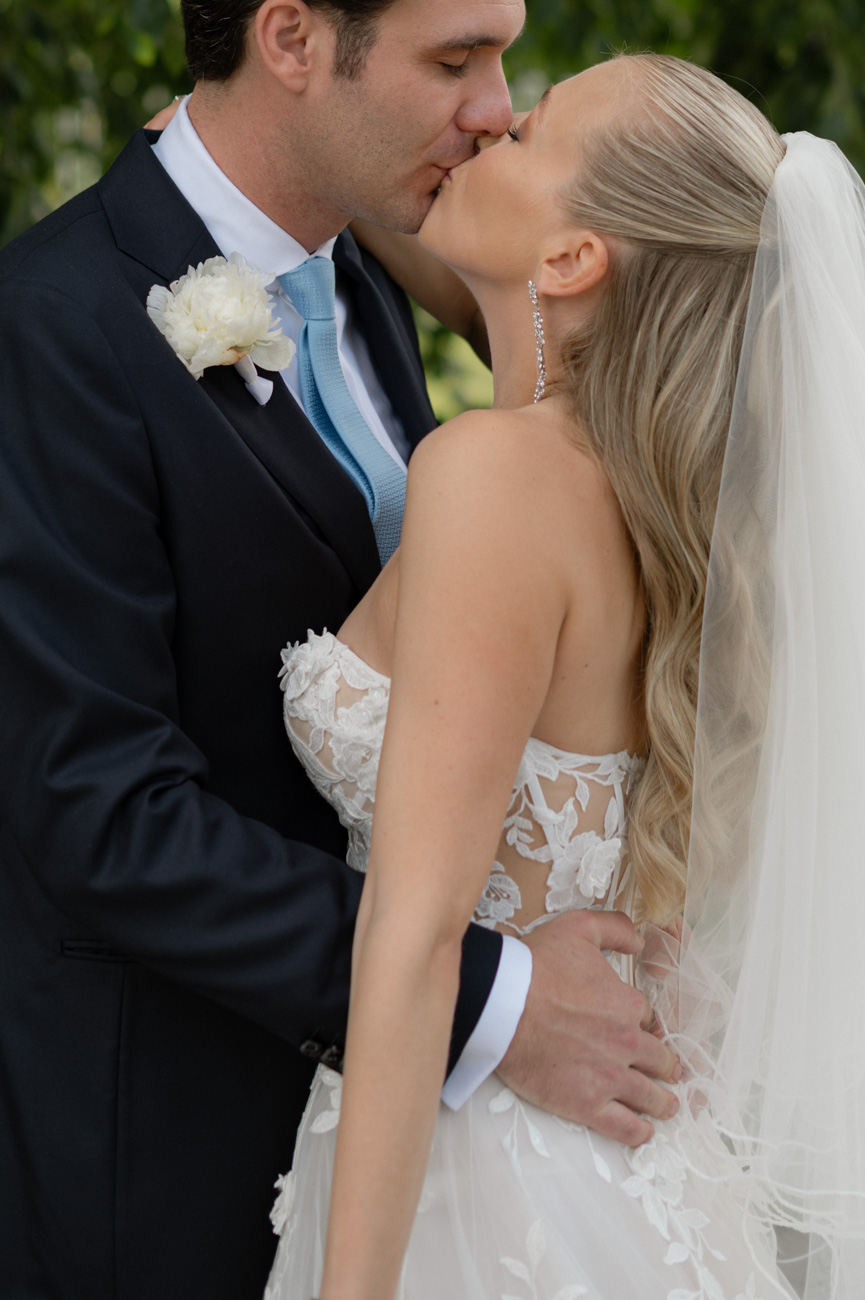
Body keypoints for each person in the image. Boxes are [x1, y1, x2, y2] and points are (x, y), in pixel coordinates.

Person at [0, 4, 680, 1298]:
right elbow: (100, 812)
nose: (494, 103)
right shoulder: (54, 326)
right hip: (171, 1167)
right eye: (453, 59)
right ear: (294, 40)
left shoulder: (366, 267)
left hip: (415, 1167)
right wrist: (491, 999)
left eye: (501, 53)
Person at [266, 51, 865, 1300]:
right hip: (622, 1174)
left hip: (481, 1187)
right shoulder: (669, 512)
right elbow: (477, 257)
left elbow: (418, 937)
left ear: (572, 261)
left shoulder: (494, 476)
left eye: (526, 131)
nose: (486, 122)